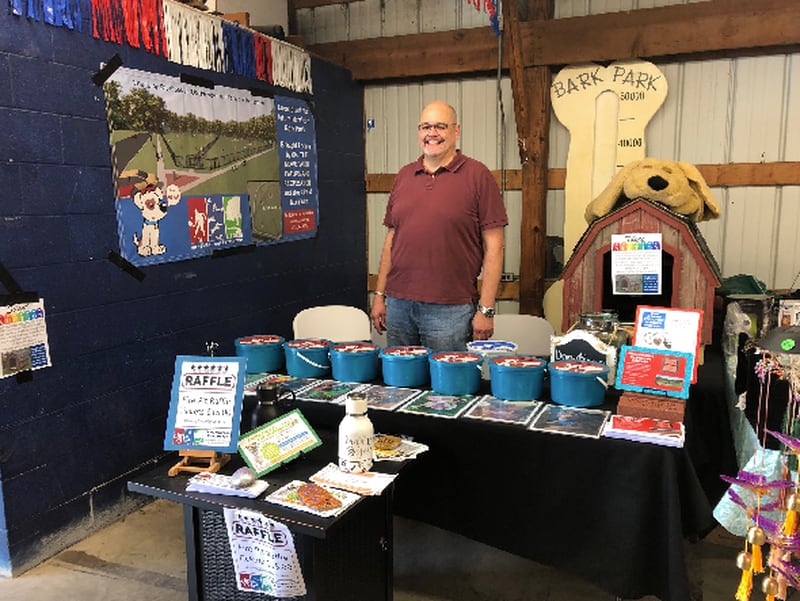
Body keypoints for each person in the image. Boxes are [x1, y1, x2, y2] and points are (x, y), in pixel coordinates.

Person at [370, 100, 508, 352]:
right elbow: (392, 238)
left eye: (440, 126)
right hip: (399, 305)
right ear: (418, 132)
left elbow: (495, 246)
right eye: (425, 127)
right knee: (401, 385)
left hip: (451, 309)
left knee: (449, 388)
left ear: (456, 131)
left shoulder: (478, 175)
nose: (432, 133)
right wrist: (379, 296)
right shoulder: (404, 175)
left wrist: (486, 309)